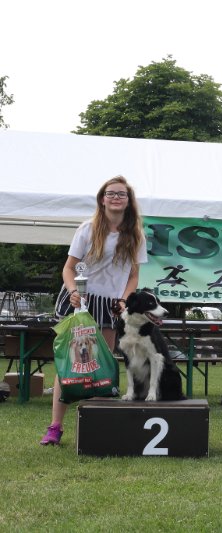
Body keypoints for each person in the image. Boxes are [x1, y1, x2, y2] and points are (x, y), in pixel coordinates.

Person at [40, 176, 147, 445]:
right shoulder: (87, 229)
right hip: (80, 300)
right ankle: (55, 427)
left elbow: (133, 275)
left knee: (102, 365)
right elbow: (69, 268)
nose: (116, 198)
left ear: (128, 201)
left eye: (121, 194)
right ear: (102, 199)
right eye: (111, 193)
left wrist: (124, 300)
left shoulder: (136, 234)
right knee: (71, 364)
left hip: (110, 305)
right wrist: (73, 291)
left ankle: (96, 427)